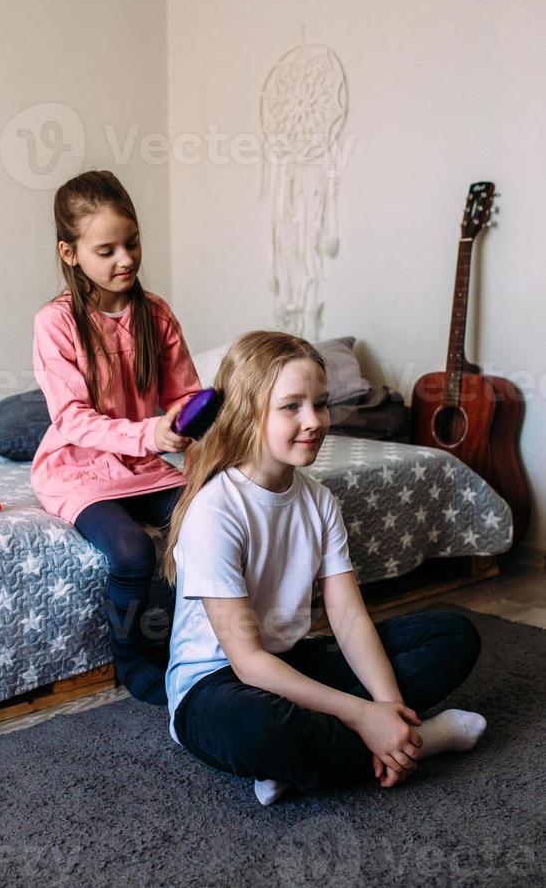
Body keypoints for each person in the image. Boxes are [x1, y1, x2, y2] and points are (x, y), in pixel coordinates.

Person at [164, 331, 487, 805]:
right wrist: (360, 715)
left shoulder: (320, 502)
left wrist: (382, 707)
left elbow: (350, 619)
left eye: (320, 403)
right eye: (291, 406)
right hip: (218, 684)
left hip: (292, 660)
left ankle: (332, 752)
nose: (314, 421)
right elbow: (248, 661)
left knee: (453, 635)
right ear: (247, 413)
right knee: (260, 729)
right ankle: (424, 740)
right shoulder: (216, 512)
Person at [32, 170, 201, 705]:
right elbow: (72, 418)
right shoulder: (55, 323)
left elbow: (184, 397)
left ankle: (198, 648)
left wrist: (199, 457)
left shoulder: (156, 314)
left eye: (132, 243)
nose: (125, 259)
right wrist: (150, 432)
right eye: (106, 250)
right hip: (79, 469)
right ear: (70, 252)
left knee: (202, 529)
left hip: (143, 464)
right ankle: (131, 660)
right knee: (131, 553)